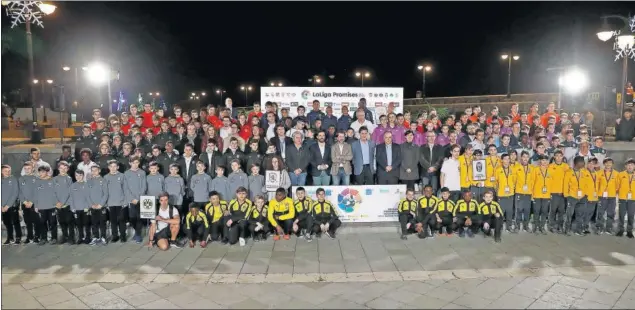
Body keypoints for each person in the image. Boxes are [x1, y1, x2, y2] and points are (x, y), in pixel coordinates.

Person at [563, 156, 594, 236]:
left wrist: (587, 195)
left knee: (580, 214)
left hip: (582, 197)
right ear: (576, 163)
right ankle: (567, 229)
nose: (583, 163)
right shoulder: (569, 172)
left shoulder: (585, 172)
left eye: (583, 162)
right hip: (572, 196)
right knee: (569, 214)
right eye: (582, 162)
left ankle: (578, 230)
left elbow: (589, 184)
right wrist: (566, 195)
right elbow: (566, 184)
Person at [124, 156, 147, 244]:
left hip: (140, 199)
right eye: (133, 163)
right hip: (131, 200)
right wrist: (131, 198)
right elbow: (125, 188)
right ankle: (136, 231)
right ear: (130, 163)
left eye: (137, 162)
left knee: (139, 217)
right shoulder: (126, 173)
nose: (135, 164)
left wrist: (138, 198)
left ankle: (138, 234)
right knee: (132, 218)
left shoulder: (142, 172)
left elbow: (144, 186)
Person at [104, 160, 127, 243]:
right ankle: (115, 236)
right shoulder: (106, 177)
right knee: (113, 221)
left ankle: (123, 236)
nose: (113, 168)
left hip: (120, 202)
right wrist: (106, 203)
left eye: (115, 166)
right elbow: (105, 191)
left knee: (121, 220)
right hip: (110, 203)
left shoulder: (122, 176)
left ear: (118, 167)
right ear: (109, 167)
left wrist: (125, 201)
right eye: (111, 166)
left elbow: (125, 189)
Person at [547, 150, 569, 233]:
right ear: (554, 157)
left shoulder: (566, 167)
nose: (559, 158)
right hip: (554, 193)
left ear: (562, 157)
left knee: (561, 211)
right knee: (552, 210)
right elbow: (548, 180)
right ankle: (551, 225)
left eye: (560, 156)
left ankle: (560, 225)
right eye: (557, 156)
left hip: (563, 193)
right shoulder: (550, 166)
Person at [513, 151, 534, 233]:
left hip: (528, 193)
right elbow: (514, 180)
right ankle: (517, 226)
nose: (525, 158)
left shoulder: (532, 168)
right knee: (518, 210)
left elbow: (533, 180)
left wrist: (531, 191)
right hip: (519, 192)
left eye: (527, 157)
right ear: (521, 158)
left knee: (527, 210)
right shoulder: (516, 167)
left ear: (529, 158)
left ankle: (526, 226)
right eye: (524, 157)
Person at [87, 165, 108, 245]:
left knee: (102, 222)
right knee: (94, 222)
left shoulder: (103, 180)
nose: (94, 172)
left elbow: (105, 194)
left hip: (101, 206)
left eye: (96, 170)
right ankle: (95, 237)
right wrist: (91, 204)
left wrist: (101, 204)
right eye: (92, 170)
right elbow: (87, 195)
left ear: (99, 170)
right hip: (92, 206)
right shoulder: (89, 181)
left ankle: (103, 237)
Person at [597, 158, 618, 235]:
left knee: (611, 213)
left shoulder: (616, 174)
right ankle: (599, 227)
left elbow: (618, 185)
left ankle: (608, 228)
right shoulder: (599, 173)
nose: (608, 164)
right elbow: (597, 184)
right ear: (604, 164)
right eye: (606, 163)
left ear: (612, 164)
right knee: (600, 213)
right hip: (602, 196)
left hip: (612, 196)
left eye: (610, 163)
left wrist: (614, 192)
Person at [18, 163, 38, 244]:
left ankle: (37, 236)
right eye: (25, 168)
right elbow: (19, 192)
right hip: (25, 204)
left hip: (34, 203)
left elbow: (37, 191)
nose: (27, 170)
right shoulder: (21, 179)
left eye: (29, 168)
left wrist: (31, 201)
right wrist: (25, 202)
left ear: (32, 169)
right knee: (27, 221)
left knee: (35, 220)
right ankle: (29, 236)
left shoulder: (36, 178)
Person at [531, 154, 550, 234]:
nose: (544, 162)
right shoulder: (535, 170)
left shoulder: (550, 170)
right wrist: (531, 194)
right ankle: (535, 226)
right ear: (540, 161)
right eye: (542, 160)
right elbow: (532, 182)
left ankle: (542, 227)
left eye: (545, 160)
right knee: (536, 211)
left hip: (546, 195)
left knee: (544, 211)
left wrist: (550, 193)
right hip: (537, 195)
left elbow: (552, 183)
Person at [616, 158, 635, 238]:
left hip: (632, 199)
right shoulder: (620, 174)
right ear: (625, 166)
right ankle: (621, 230)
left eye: (632, 165)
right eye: (628, 165)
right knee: (621, 215)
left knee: (631, 215)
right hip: (622, 198)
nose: (630, 166)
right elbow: (617, 186)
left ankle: (629, 231)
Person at [2, 165, 20, 245]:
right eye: (5, 171)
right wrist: (1, 206)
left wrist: (8, 205)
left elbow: (15, 193)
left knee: (15, 222)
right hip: (2, 207)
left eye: (9, 171)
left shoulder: (13, 179)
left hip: (12, 205)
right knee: (7, 222)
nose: (7, 172)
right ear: (1, 171)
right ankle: (10, 238)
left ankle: (18, 237)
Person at [584, 158, 601, 235]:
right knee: (585, 212)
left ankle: (586, 225)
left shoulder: (597, 174)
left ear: (595, 165)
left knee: (590, 213)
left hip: (594, 197)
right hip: (586, 197)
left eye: (593, 163)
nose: (591, 165)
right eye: (589, 163)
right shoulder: (583, 172)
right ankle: (583, 226)